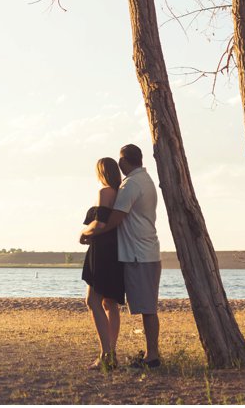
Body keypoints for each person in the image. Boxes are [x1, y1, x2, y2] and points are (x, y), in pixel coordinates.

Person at [80, 143, 161, 369]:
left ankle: (113, 354)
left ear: (124, 162)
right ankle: (128, 353)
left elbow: (109, 221)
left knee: (97, 301)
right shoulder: (129, 186)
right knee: (110, 303)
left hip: (118, 251)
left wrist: (85, 233)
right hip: (123, 251)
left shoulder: (126, 186)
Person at [79, 157, 124, 370]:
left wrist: (83, 233)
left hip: (102, 249)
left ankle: (106, 353)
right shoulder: (122, 193)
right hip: (117, 249)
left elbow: (100, 223)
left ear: (101, 172)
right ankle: (110, 352)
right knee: (110, 303)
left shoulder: (105, 192)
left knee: (92, 300)